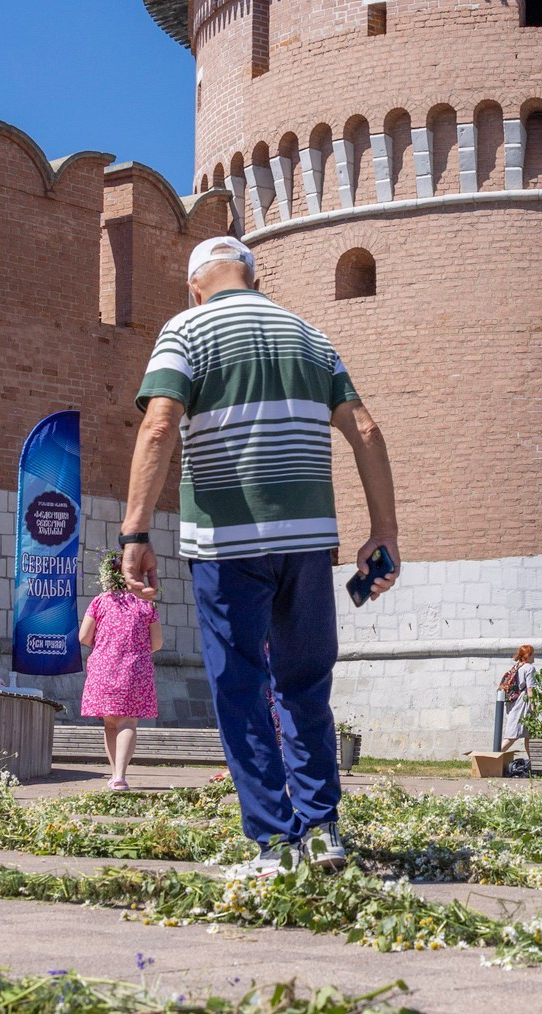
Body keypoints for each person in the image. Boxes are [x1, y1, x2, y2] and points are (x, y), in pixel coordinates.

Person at [122, 234, 399, 878]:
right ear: (252, 275)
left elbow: (160, 424)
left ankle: (274, 843)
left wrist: (136, 530)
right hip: (307, 544)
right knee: (305, 686)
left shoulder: (186, 329)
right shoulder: (308, 335)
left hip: (227, 546)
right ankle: (324, 830)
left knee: (240, 685)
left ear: (195, 286)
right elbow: (366, 429)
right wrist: (383, 530)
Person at [78, 552, 163, 790]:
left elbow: (84, 636)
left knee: (110, 723)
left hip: (103, 667)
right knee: (128, 722)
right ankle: (120, 776)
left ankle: (114, 774)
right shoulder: (146, 604)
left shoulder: (100, 601)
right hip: (135, 668)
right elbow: (156, 643)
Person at [496, 645, 538, 750]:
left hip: (513, 702)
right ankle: (491, 759)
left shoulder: (517, 667)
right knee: (512, 736)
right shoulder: (529, 668)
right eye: (533, 654)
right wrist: (533, 705)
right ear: (528, 656)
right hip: (522, 704)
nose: (534, 656)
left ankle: (532, 762)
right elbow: (530, 689)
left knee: (529, 736)